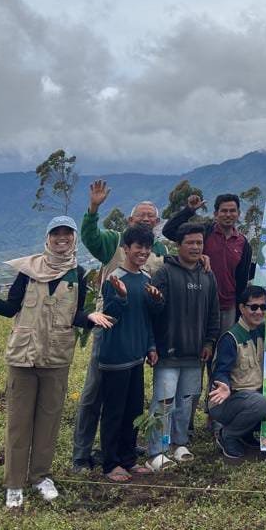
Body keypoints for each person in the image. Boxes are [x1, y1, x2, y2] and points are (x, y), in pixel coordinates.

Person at [0, 216, 111, 508]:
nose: (62, 239)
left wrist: (89, 318)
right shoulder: (28, 271)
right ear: (47, 238)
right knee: (19, 423)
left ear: (73, 239)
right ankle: (14, 483)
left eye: (67, 234)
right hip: (23, 357)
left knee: (49, 421)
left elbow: (74, 316)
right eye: (56, 234)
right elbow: (11, 307)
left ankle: (40, 477)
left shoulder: (79, 273)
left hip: (57, 358)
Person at [72, 179, 171, 473]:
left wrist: (151, 345)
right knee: (98, 400)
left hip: (137, 347)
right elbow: (89, 235)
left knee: (131, 406)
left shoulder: (154, 259)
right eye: (141, 216)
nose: (146, 220)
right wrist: (93, 208)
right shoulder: (115, 251)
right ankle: (92, 456)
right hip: (112, 343)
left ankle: (126, 455)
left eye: (151, 218)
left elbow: (149, 312)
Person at [146, 223, 220, 470]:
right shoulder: (165, 273)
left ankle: (179, 444)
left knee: (186, 401)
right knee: (164, 402)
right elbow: (152, 312)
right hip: (168, 353)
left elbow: (213, 312)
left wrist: (209, 341)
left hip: (194, 354)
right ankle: (158, 450)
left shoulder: (208, 275)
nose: (196, 247)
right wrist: (153, 345)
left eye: (199, 243)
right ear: (178, 246)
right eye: (190, 242)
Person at [96, 226, 162, 482]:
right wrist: (121, 296)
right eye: (138, 247)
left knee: (133, 411)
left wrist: (151, 347)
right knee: (114, 412)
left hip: (136, 356)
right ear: (126, 249)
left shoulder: (145, 278)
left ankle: (128, 458)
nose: (143, 252)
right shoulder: (114, 278)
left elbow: (146, 319)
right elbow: (109, 316)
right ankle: (111, 463)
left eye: (147, 248)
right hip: (115, 357)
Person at [163, 192, 251, 332]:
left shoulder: (243, 243)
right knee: (199, 349)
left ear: (238, 213)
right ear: (216, 214)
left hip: (228, 308)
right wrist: (189, 210)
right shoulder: (204, 233)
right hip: (199, 304)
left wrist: (240, 309)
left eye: (232, 211)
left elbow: (241, 280)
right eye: (224, 211)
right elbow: (168, 231)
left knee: (223, 348)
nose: (228, 214)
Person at [208, 285, 266, 460]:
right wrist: (224, 387)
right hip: (228, 400)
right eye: (253, 307)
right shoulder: (230, 338)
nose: (259, 311)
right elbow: (221, 371)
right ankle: (227, 435)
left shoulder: (262, 331)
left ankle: (245, 433)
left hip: (252, 396)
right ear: (242, 308)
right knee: (260, 403)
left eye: (263, 307)